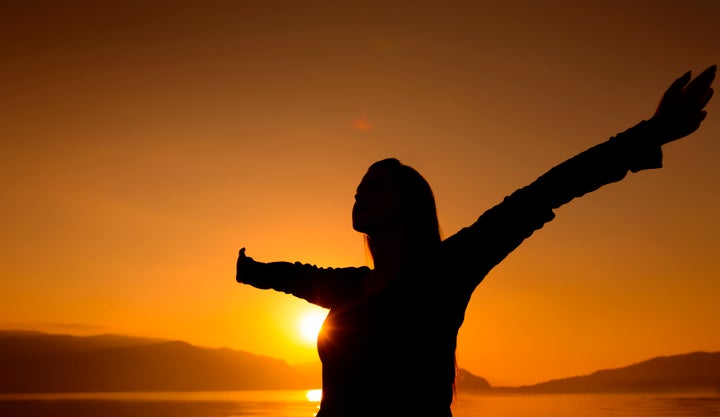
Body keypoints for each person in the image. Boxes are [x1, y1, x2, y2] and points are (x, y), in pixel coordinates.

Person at [235, 66, 715, 417]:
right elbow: (295, 276)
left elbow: (547, 191)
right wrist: (250, 270)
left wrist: (650, 134)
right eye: (359, 186)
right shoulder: (347, 287)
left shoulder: (445, 271)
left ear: (410, 206)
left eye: (376, 185)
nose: (360, 191)